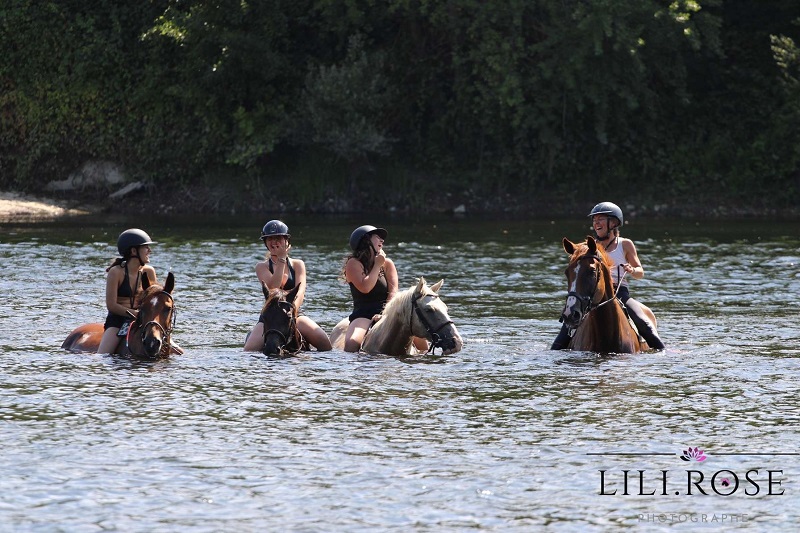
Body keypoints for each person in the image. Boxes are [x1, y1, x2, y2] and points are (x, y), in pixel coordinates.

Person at [551, 202, 665, 350]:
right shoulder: (589, 247)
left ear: (613, 223)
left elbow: (640, 272)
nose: (596, 222)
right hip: (594, 293)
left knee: (644, 323)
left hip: (620, 293)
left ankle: (663, 352)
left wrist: (631, 269)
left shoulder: (625, 244)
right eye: (594, 219)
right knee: (566, 328)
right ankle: (554, 355)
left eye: (601, 219)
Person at [244, 219, 332, 352]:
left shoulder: (298, 264)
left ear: (286, 240)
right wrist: (281, 259)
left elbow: (300, 291)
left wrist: (292, 311)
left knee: (323, 341)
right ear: (265, 242)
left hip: (292, 312)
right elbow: (274, 287)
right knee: (249, 350)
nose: (274, 242)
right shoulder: (261, 267)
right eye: (270, 239)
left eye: (278, 238)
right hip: (270, 317)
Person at [341, 225, 428, 353]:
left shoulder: (388, 264)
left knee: (423, 344)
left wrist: (385, 313)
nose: (382, 240)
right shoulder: (353, 263)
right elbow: (366, 288)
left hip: (389, 313)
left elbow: (393, 292)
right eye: (377, 237)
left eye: (382, 238)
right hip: (363, 315)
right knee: (351, 344)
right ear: (365, 241)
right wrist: (377, 265)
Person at [98, 228, 158, 354]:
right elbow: (111, 305)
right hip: (117, 322)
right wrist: (135, 314)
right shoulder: (116, 273)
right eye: (145, 247)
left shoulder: (149, 272)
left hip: (143, 321)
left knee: (177, 352)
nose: (149, 250)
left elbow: (154, 300)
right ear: (133, 251)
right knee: (103, 355)